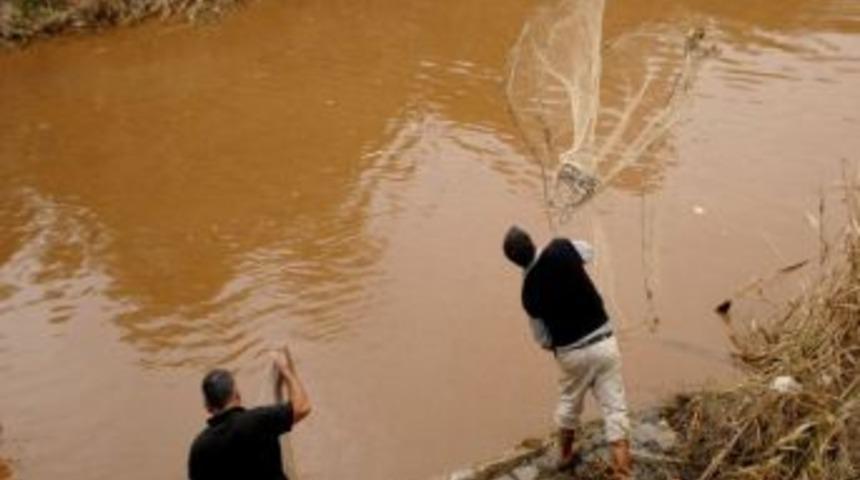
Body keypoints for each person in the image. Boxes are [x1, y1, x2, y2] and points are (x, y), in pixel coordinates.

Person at [502, 225, 632, 479]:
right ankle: (623, 472)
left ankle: (565, 457)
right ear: (531, 240)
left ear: (514, 262)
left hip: (571, 354)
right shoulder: (561, 248)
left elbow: (543, 340)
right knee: (615, 409)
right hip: (604, 343)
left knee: (569, 405)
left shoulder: (528, 294)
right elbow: (589, 251)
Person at [188, 348, 311, 480]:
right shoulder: (259, 420)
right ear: (237, 395)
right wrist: (286, 370)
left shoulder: (199, 447)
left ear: (207, 407)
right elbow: (303, 407)